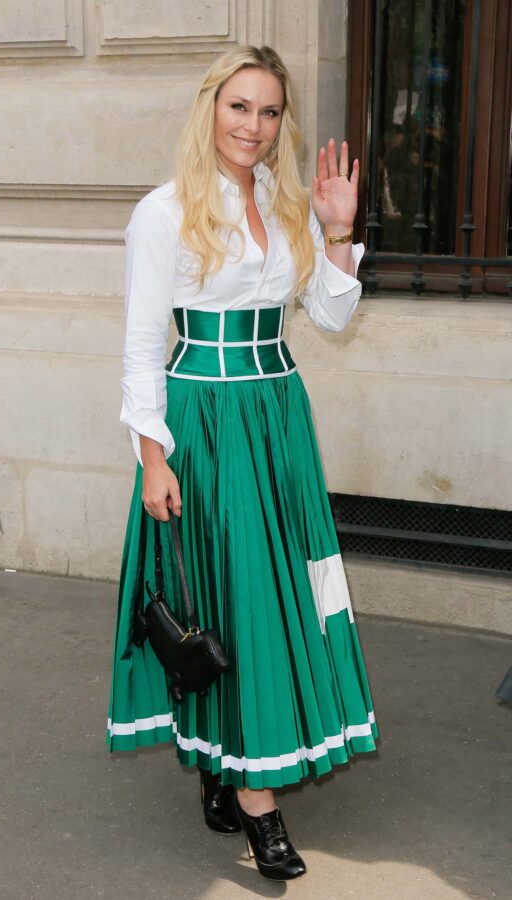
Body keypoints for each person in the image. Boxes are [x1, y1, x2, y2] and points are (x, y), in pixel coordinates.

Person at [107, 44, 380, 882]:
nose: (253, 127)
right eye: (239, 107)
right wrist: (154, 459)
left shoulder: (286, 203)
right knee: (230, 596)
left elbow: (330, 317)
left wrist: (337, 232)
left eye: (267, 112)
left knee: (277, 592)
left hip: (276, 420)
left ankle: (229, 767)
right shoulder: (165, 211)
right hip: (206, 422)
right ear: (209, 108)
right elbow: (143, 349)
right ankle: (260, 800)